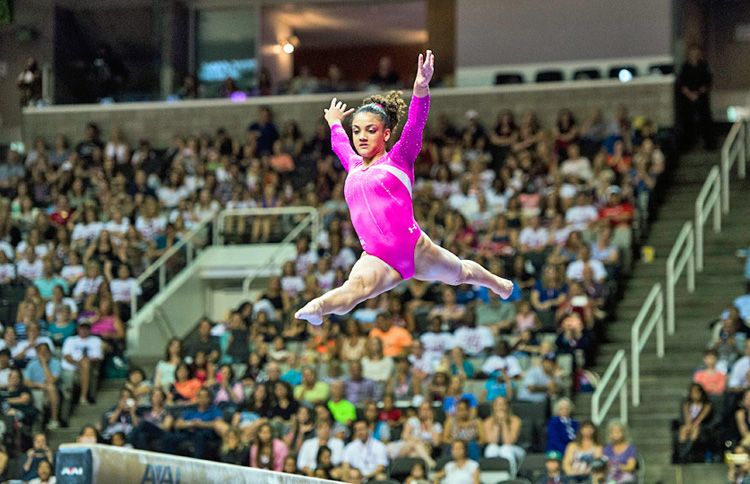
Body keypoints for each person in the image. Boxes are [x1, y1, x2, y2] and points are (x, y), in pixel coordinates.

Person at [295, 51, 513, 326]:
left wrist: (421, 88)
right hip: (377, 256)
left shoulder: (400, 159)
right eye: (357, 130)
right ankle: (318, 308)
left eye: (370, 130)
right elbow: (339, 143)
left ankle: (498, 284)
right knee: (355, 289)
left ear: (386, 134)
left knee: (460, 274)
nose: (361, 136)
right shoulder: (352, 165)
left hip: (415, 250)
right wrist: (334, 122)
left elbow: (415, 123)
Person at [676, 44, 715, 151]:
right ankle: (688, 145)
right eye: (692, 53)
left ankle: (709, 144)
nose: (694, 55)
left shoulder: (704, 66)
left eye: (696, 53)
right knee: (687, 122)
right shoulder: (685, 67)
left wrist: (698, 93)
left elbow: (708, 82)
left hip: (701, 98)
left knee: (705, 121)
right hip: (688, 100)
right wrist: (690, 94)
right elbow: (681, 84)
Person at [61, 321, 102, 406]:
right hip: (71, 366)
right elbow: (66, 356)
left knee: (85, 364)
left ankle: (83, 396)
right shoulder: (70, 340)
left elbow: (98, 357)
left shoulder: (96, 340)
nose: (84, 330)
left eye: (86, 328)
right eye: (82, 328)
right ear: (78, 329)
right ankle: (83, 397)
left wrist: (86, 361)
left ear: (89, 329)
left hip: (89, 365)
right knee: (84, 363)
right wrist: (78, 362)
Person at [676, 383, 712, 462]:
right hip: (689, 424)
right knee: (683, 429)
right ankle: (682, 454)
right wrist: (688, 426)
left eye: (696, 393)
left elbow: (700, 418)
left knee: (695, 430)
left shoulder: (707, 405)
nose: (694, 395)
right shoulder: (687, 404)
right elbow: (687, 418)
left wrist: (693, 425)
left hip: (701, 426)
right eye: (692, 393)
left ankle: (686, 453)